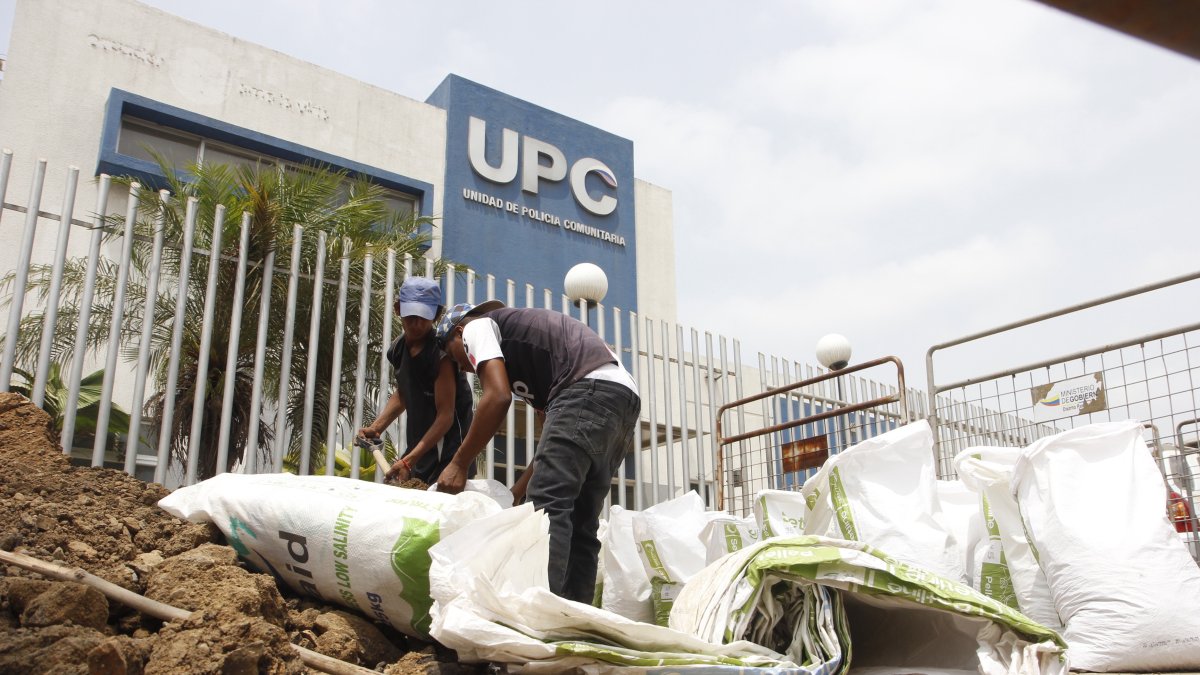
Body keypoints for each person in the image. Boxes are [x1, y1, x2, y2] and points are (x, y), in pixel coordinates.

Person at [434, 301, 641, 603]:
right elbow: (552, 439)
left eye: (454, 356)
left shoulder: (476, 326)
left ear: (458, 332)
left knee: (547, 510)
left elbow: (497, 397)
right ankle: (572, 617)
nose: (462, 367)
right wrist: (516, 493)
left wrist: (458, 463)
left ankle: (539, 612)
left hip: (587, 388)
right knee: (581, 520)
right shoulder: (533, 367)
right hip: (622, 398)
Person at [356, 277, 474, 485]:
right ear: (398, 309)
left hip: (449, 453)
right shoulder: (397, 349)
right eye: (411, 315)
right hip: (420, 449)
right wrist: (377, 427)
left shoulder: (441, 355)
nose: (416, 323)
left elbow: (446, 416)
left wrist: (408, 461)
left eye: (423, 317)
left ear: (436, 315)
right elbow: (404, 392)